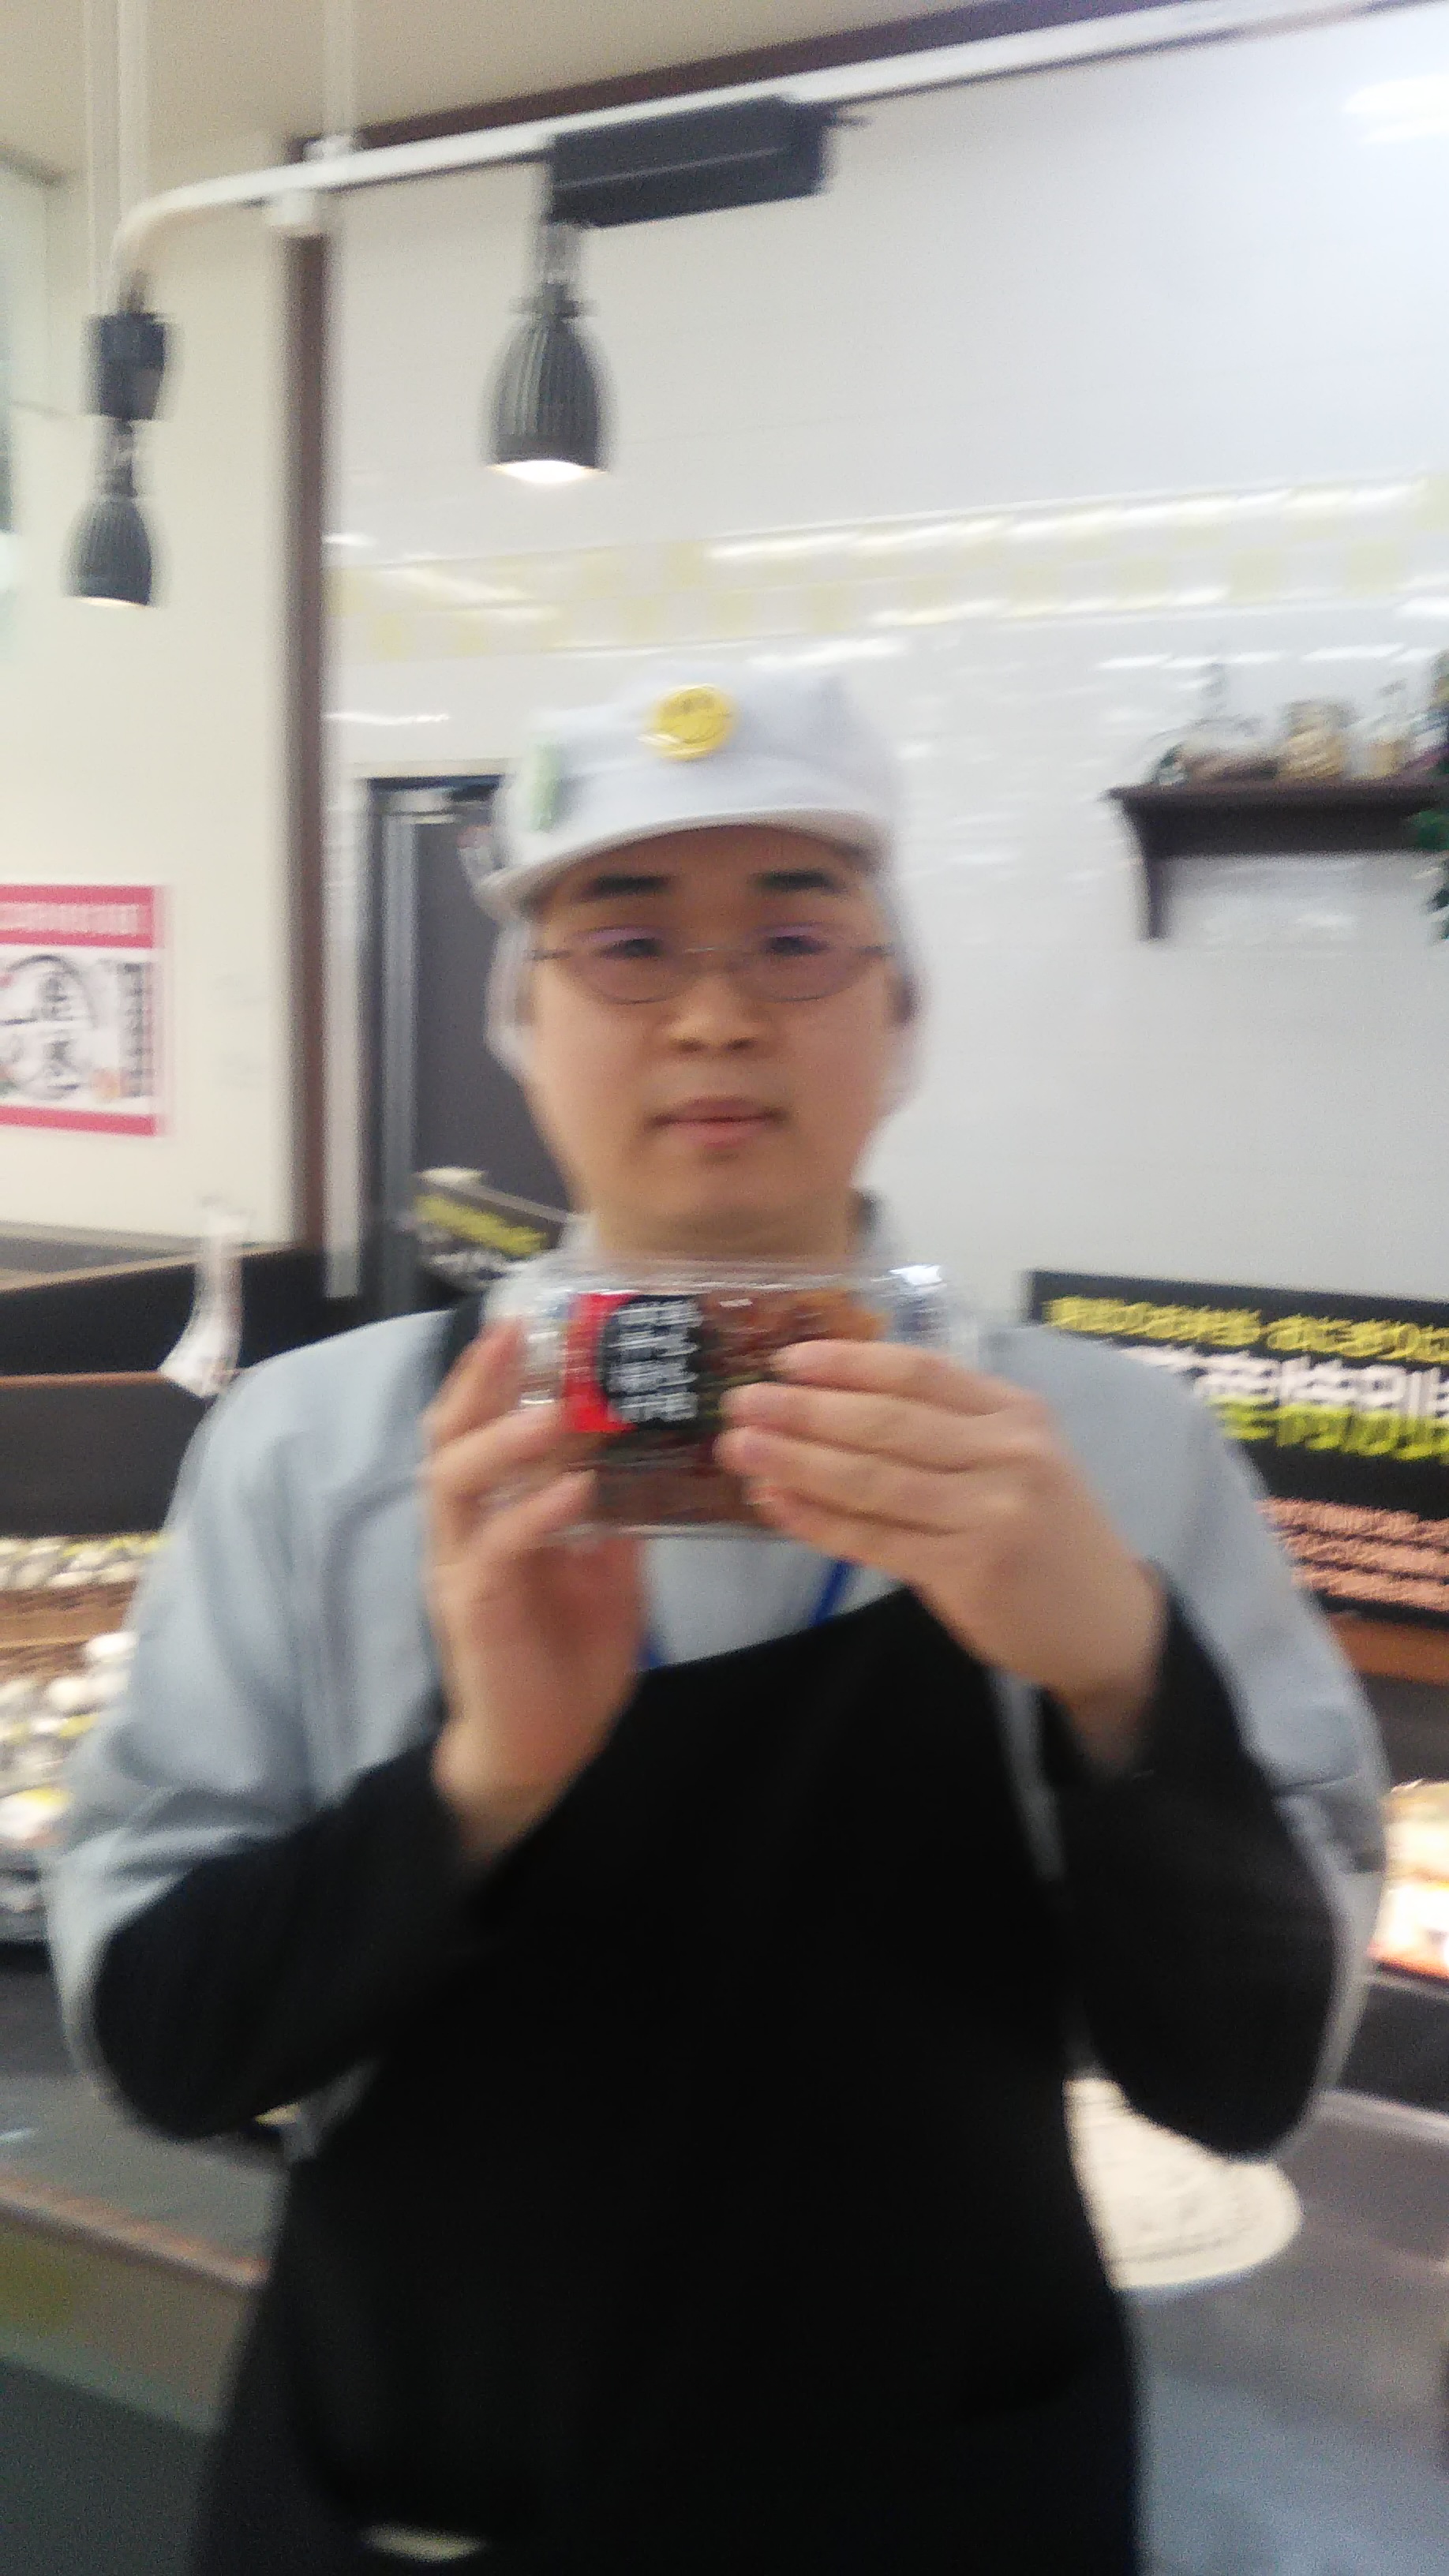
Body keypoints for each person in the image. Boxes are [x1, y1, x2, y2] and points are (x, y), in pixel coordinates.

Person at [47, 669, 1386, 2576]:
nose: (714, 1013)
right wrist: (483, 1783)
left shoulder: (1107, 1454)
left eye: (795, 936)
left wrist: (1118, 1676)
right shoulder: (317, 1452)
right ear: (523, 1025)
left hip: (950, 2495)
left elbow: (1243, 2084)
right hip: (431, 2483)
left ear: (901, 1013)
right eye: (627, 943)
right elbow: (170, 2044)